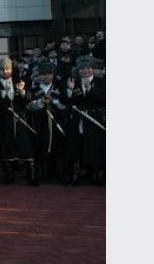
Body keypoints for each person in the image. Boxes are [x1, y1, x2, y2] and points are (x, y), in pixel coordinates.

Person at [0, 58, 37, 185]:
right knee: (6, 147)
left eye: (8, 68)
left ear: (11, 69)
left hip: (20, 120)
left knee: (26, 146)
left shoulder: (20, 81)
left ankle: (31, 176)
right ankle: (9, 176)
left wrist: (22, 92)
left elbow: (29, 99)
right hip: (4, 122)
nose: (5, 71)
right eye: (2, 69)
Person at [64, 57, 106, 185]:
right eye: (82, 69)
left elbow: (104, 98)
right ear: (78, 70)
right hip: (79, 119)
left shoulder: (101, 82)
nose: (85, 71)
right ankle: (76, 174)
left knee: (95, 145)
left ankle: (96, 173)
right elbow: (67, 102)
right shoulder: (74, 82)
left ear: (93, 69)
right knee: (77, 144)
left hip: (95, 119)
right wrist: (69, 90)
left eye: (88, 68)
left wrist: (89, 88)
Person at [26, 62, 68, 182]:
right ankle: (39, 174)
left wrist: (54, 102)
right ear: (38, 75)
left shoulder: (59, 88)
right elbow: (28, 106)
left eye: (49, 73)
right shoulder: (33, 89)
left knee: (58, 148)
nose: (46, 76)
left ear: (53, 75)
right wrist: (41, 102)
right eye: (43, 74)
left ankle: (59, 174)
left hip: (56, 123)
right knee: (40, 148)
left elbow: (65, 106)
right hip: (40, 123)